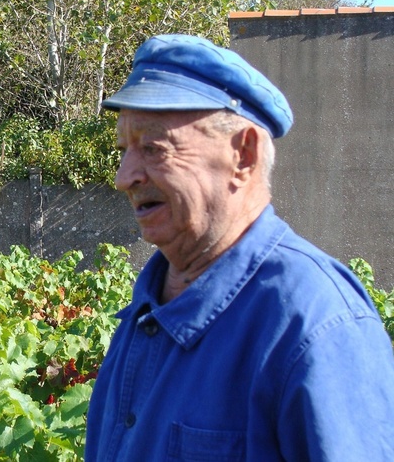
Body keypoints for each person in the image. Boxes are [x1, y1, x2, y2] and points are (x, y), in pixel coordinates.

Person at [84, 34, 394, 461]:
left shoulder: (316, 322)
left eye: (154, 148)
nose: (124, 177)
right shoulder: (147, 309)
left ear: (242, 155)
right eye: (124, 150)